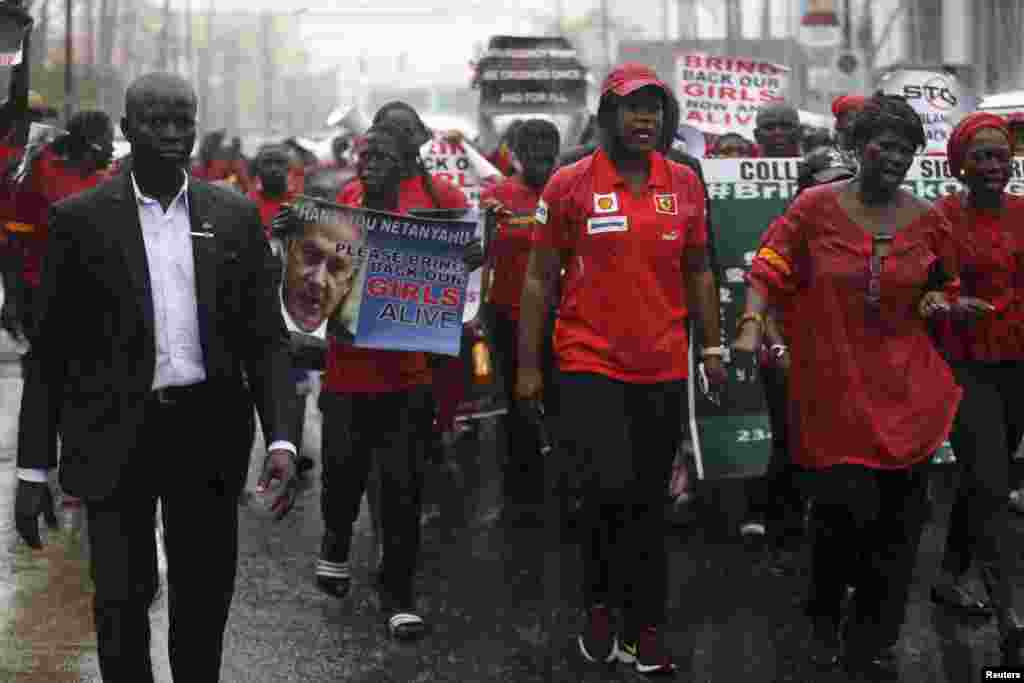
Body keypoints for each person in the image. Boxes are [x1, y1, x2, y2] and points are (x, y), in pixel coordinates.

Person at [13, 73, 299, 682]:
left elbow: (265, 341)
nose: (172, 134)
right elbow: (50, 354)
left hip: (208, 435)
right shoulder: (79, 220)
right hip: (115, 436)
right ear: (126, 130)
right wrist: (33, 469)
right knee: (120, 601)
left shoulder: (234, 215)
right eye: (156, 121)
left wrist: (281, 440)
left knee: (203, 601)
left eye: (183, 121)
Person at [733, 93, 962, 679]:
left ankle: (879, 633)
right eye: (887, 145)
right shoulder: (814, 207)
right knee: (840, 519)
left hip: (907, 391)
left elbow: (945, 284)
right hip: (833, 389)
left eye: (908, 149)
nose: (898, 158)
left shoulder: (928, 217)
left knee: (901, 523)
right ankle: (824, 618)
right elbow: (768, 266)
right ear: (860, 148)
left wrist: (941, 300)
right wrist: (751, 324)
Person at [518, 62, 725, 675]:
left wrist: (710, 349)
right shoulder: (570, 183)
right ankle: (599, 610)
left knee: (647, 501)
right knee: (602, 492)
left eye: (655, 109)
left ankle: (644, 628)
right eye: (633, 108)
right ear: (608, 117)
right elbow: (537, 279)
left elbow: (700, 269)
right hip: (588, 363)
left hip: (661, 365)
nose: (645, 119)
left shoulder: (685, 182)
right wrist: (528, 369)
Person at [316, 118, 467, 640]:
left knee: (402, 490)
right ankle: (336, 542)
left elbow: (459, 266)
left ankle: (399, 596)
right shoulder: (339, 206)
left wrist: (470, 255)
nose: (371, 165)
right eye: (365, 157)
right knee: (341, 475)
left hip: (407, 377)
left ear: (402, 165)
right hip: (345, 374)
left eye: (382, 158)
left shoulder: (426, 208)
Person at [930, 112, 1024, 660]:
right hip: (966, 368)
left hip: (1019, 365)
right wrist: (948, 304)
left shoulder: (1023, 212)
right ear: (960, 165)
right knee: (989, 484)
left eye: (999, 153)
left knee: (984, 475)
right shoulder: (940, 219)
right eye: (980, 156)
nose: (992, 165)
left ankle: (946, 576)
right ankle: (1009, 607)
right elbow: (920, 292)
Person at [479, 118, 561, 526]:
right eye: (533, 156)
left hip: (564, 317)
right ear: (515, 154)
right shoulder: (495, 196)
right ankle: (520, 496)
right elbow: (478, 257)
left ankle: (565, 490)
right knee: (516, 405)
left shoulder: (568, 192)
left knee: (564, 404)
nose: (542, 164)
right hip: (508, 318)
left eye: (549, 156)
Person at [248, 144, 295, 240]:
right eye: (267, 163)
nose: (274, 168)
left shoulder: (300, 203)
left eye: (279, 163)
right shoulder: (247, 204)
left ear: (288, 168)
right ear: (257, 168)